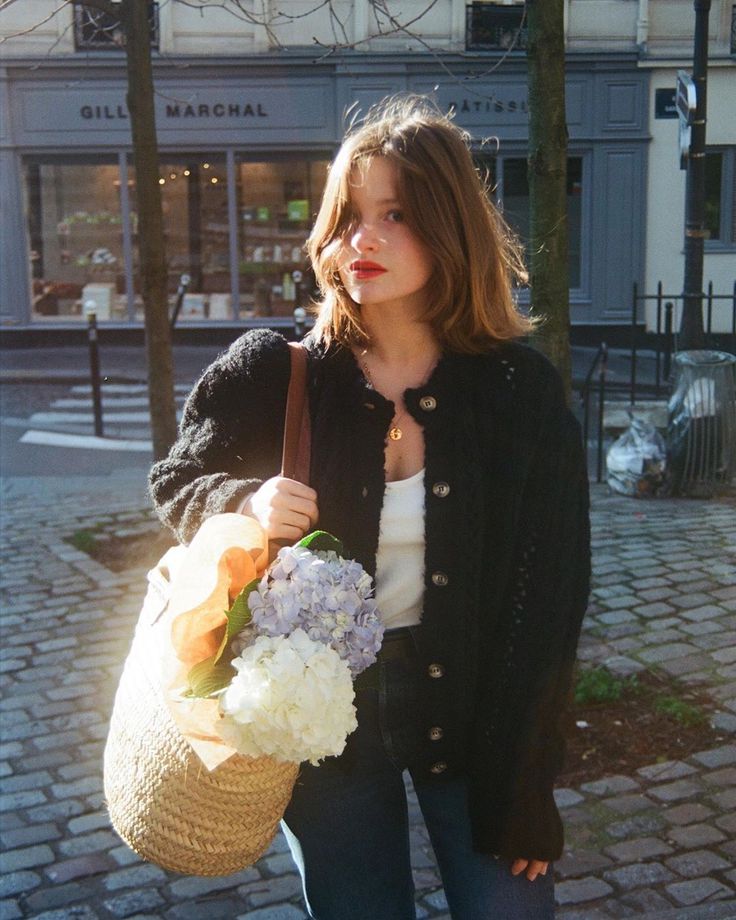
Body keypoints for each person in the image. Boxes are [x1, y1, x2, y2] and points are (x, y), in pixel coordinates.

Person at [149, 96, 591, 920]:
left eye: (395, 214)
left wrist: (530, 783)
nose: (363, 239)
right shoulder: (273, 372)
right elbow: (176, 481)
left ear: (449, 225)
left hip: (473, 713)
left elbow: (551, 603)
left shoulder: (516, 394)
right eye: (349, 216)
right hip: (319, 718)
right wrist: (242, 499)